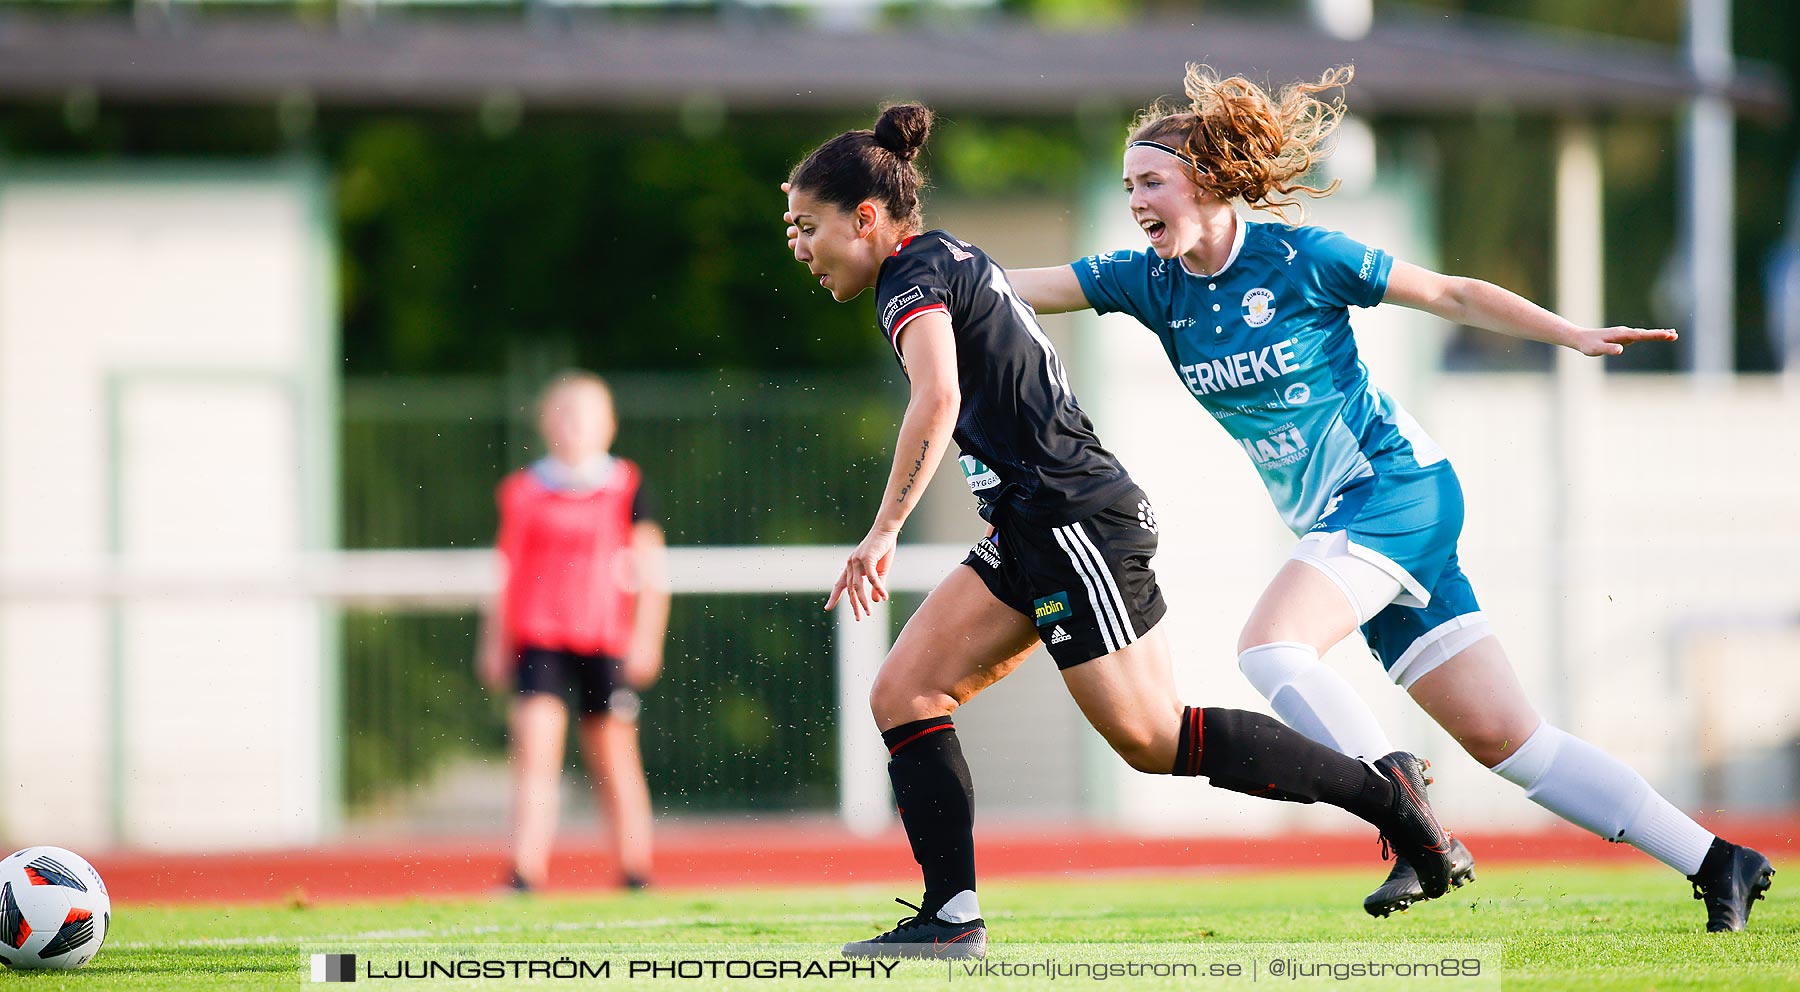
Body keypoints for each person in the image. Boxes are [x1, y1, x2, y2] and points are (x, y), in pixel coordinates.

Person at [999, 64, 1775, 931]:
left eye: (1151, 181)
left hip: (1393, 490)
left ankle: (1403, 812)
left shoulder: (1301, 257)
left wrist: (1571, 334)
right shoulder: (1146, 280)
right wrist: (916, 271)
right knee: (1510, 743)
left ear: (1209, 181)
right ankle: (1719, 860)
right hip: (1354, 524)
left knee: (1269, 647)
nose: (1136, 199)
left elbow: (1448, 292)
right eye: (1128, 186)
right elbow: (1012, 289)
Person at [784, 103, 1462, 961]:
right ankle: (952, 918)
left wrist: (883, 531)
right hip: (1034, 523)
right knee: (905, 693)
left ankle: (1393, 801)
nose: (800, 247)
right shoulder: (942, 258)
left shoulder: (909, 278)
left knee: (1153, 739)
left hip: (1072, 520)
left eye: (809, 227)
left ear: (868, 218)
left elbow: (938, 398)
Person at [477, 371, 670, 892]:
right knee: (534, 750)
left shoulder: (626, 485)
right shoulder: (523, 490)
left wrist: (646, 637)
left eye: (586, 414)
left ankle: (635, 870)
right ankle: (524, 870)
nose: (574, 424)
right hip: (539, 636)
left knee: (613, 755)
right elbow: (506, 571)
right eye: (563, 413)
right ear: (545, 422)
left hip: (604, 638)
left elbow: (651, 572)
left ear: (608, 424)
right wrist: (492, 641)